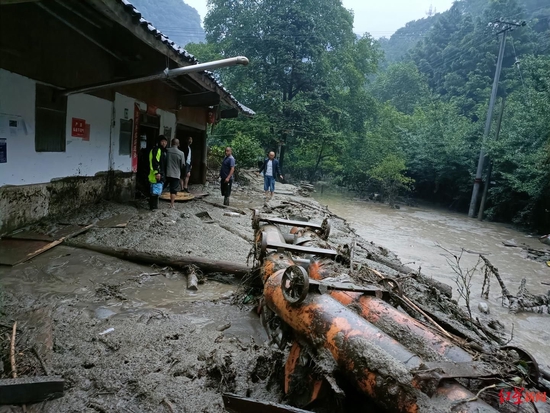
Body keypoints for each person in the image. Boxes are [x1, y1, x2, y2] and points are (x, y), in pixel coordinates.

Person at [148, 135, 168, 210]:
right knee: (155, 192)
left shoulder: (161, 150)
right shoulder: (157, 150)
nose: (164, 143)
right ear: (159, 142)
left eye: (165, 142)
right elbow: (155, 162)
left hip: (157, 173)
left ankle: (154, 206)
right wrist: (157, 173)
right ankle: (153, 207)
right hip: (155, 174)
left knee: (155, 191)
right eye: (162, 141)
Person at [165, 138, 185, 208]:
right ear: (178, 144)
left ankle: (156, 201)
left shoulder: (167, 150)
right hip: (176, 174)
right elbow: (182, 165)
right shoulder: (181, 153)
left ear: (171, 143)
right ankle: (172, 204)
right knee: (173, 190)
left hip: (166, 173)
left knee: (161, 187)